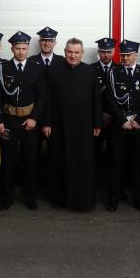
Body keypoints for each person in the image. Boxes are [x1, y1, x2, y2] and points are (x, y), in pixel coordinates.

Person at [43, 38, 103, 211]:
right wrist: (46, 123)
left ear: (82, 54)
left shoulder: (89, 71)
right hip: (59, 124)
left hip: (83, 126)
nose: (73, 55)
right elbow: (47, 99)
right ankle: (59, 198)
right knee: (59, 160)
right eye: (70, 52)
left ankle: (82, 201)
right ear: (64, 52)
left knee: (83, 163)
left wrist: (97, 123)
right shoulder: (53, 71)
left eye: (76, 52)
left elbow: (96, 99)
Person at [0, 31, 47, 211]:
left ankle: (30, 197)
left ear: (28, 48)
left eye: (24, 48)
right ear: (12, 49)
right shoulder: (3, 68)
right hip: (8, 122)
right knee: (7, 162)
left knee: (31, 162)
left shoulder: (36, 68)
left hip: (29, 123)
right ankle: (6, 197)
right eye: (18, 48)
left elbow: (42, 97)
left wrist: (34, 118)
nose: (21, 52)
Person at [105, 40, 140, 212]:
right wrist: (122, 121)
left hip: (138, 125)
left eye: (128, 55)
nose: (125, 58)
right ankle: (113, 199)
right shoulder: (113, 73)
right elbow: (110, 99)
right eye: (123, 55)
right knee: (115, 163)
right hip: (119, 125)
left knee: (137, 163)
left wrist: (139, 120)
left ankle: (138, 199)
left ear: (136, 55)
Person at [92, 37, 118, 190]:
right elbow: (87, 97)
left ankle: (113, 187)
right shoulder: (89, 69)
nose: (106, 55)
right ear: (98, 52)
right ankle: (94, 185)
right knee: (94, 154)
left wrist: (112, 115)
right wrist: (99, 115)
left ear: (114, 52)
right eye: (103, 52)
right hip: (96, 119)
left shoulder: (120, 69)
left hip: (116, 120)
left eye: (109, 52)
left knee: (115, 155)